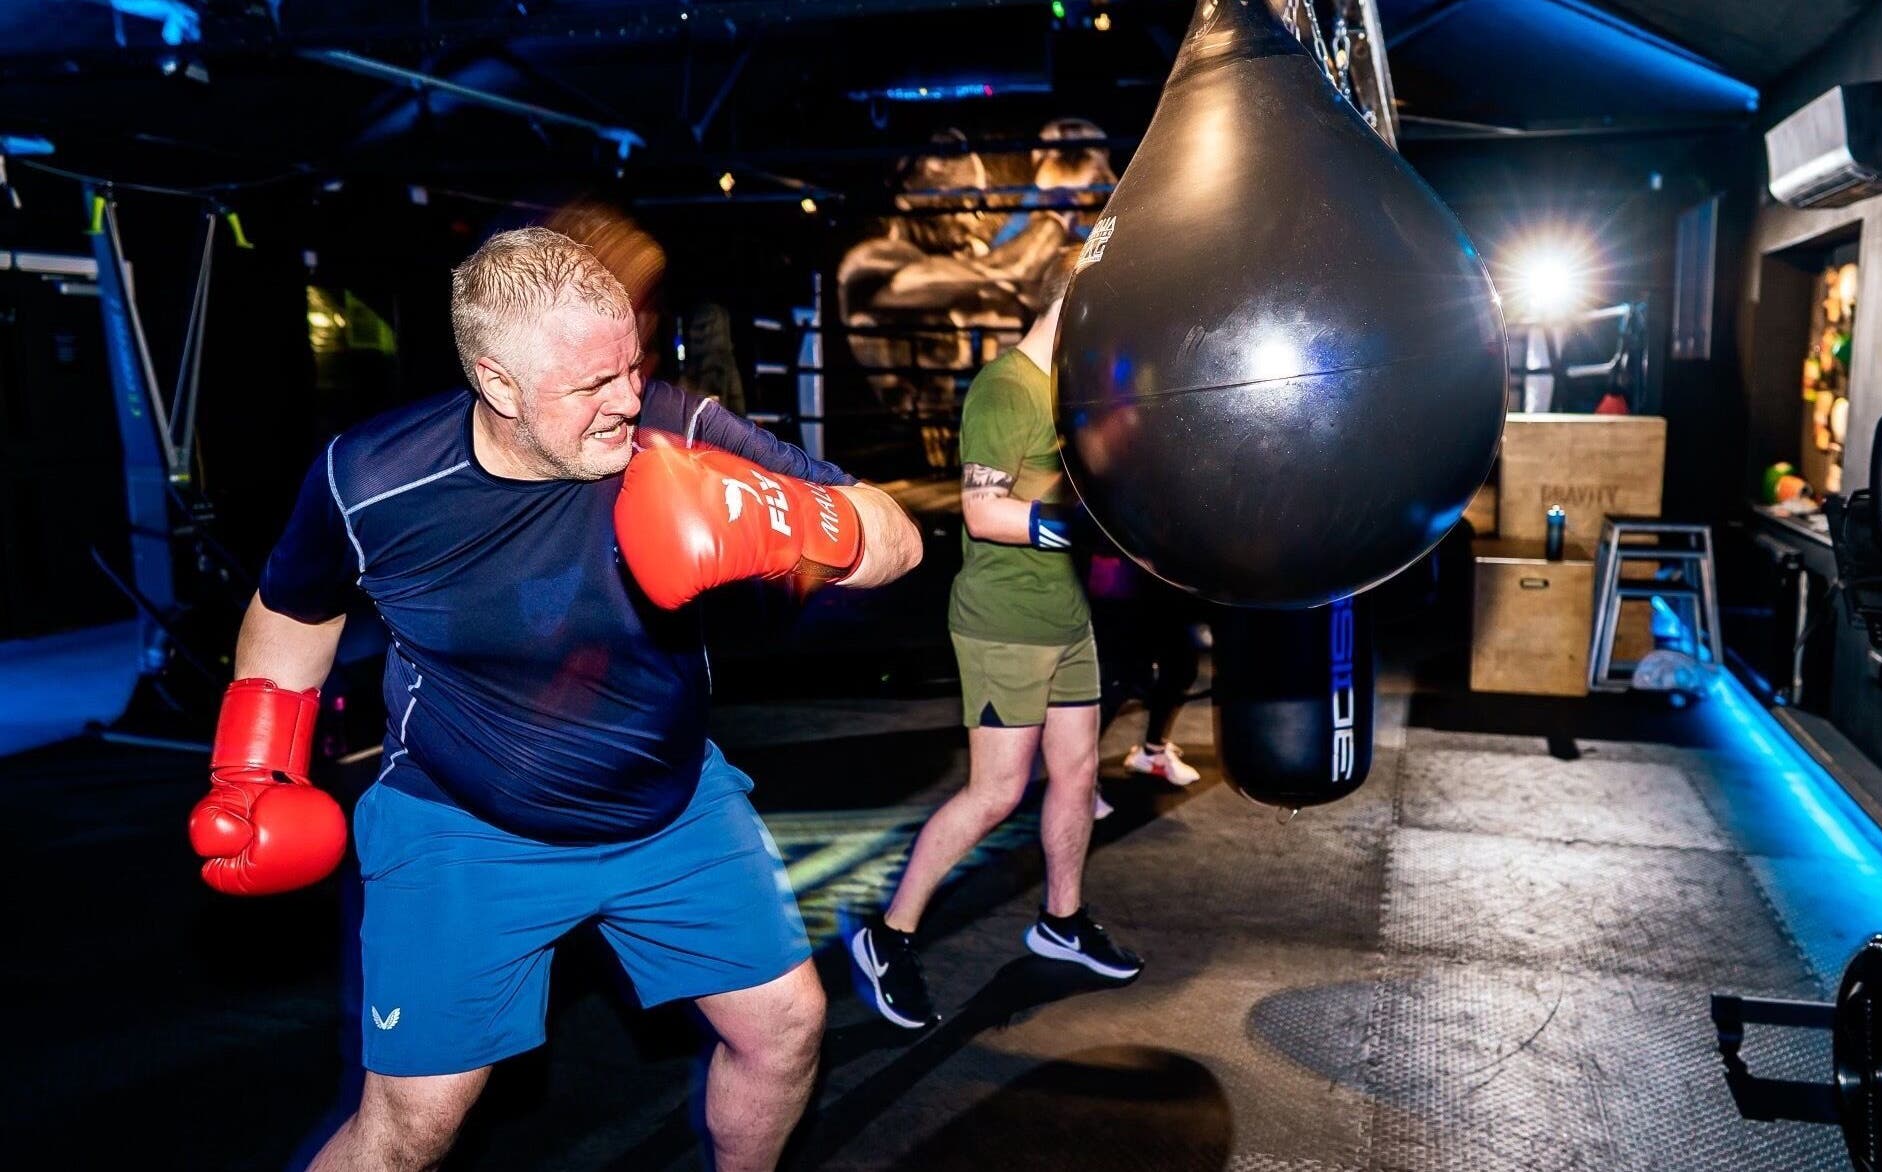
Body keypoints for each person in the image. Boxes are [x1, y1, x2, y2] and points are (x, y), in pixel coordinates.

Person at [185, 227, 923, 1172]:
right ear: (496, 384)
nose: (626, 401)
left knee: (785, 1028)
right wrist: (254, 766)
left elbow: (897, 538)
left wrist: (789, 518)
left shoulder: (676, 427)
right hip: (465, 819)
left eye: (631, 366)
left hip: (669, 802)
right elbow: (292, 615)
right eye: (590, 386)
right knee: (411, 1126)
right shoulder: (371, 481)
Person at [848, 249, 1142, 1032]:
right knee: (997, 794)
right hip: (1003, 622)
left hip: (1064, 616)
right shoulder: (1005, 390)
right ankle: (890, 933)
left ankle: (1062, 920)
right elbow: (984, 513)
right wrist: (1080, 525)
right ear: (1067, 304)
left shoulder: (1073, 395)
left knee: (1077, 775)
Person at [1085, 544, 1205, 786]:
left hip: (1164, 577)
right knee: (1120, 679)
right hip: (1126, 577)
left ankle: (1152, 753)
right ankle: (1079, 775)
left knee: (1181, 667)